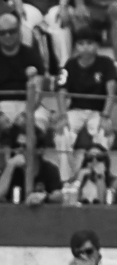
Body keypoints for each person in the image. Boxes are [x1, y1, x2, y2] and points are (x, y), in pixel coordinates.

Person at [0, 12, 50, 170]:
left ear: (19, 31)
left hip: (29, 103)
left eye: (11, 31)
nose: (7, 36)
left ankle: (31, 172)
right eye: (2, 33)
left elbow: (37, 93)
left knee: (36, 129)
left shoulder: (32, 55)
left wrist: (26, 114)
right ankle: (6, 172)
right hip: (0, 105)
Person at [55, 26, 116, 174]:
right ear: (76, 46)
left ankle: (97, 174)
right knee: (62, 133)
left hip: (98, 112)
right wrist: (62, 116)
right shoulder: (70, 64)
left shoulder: (106, 63)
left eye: (89, 43)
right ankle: (66, 177)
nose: (85, 47)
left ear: (97, 45)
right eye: (81, 44)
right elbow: (61, 92)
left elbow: (111, 92)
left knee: (105, 133)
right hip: (76, 111)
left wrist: (105, 117)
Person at [0, 123, 64, 203]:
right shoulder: (10, 169)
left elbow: (58, 196)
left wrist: (43, 197)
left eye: (24, 147)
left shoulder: (50, 170)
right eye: (17, 145)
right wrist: (10, 165)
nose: (19, 150)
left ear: (39, 150)